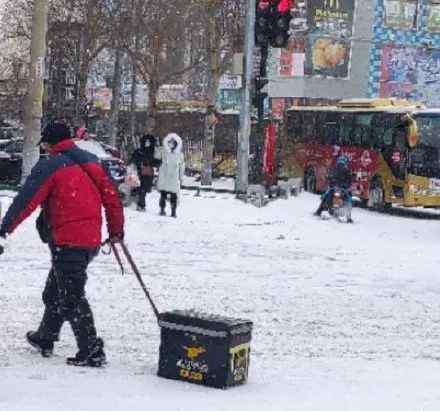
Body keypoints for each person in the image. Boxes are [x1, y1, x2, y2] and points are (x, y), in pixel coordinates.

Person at [0, 120, 124, 367]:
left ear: (51, 142)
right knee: (55, 290)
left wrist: (4, 228)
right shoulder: (92, 161)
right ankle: (45, 336)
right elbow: (111, 197)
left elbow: (27, 200)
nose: (43, 148)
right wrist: (115, 230)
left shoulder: (50, 166)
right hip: (89, 241)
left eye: (44, 143)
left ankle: (91, 349)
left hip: (68, 240)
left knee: (71, 295)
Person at [314, 154, 353, 222]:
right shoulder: (345, 171)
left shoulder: (336, 169)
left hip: (338, 189)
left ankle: (319, 210)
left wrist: (334, 183)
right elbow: (349, 181)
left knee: (326, 197)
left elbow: (349, 181)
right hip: (338, 189)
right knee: (348, 199)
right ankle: (348, 216)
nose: (341, 165)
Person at [156, 133, 185, 218]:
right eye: (170, 143)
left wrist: (181, 177)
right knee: (163, 194)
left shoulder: (180, 155)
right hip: (164, 177)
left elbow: (182, 166)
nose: (171, 144)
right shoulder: (163, 152)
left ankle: (173, 211)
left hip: (173, 178)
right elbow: (157, 159)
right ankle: (162, 209)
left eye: (173, 143)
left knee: (173, 196)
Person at [130, 134, 160, 211]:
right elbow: (133, 159)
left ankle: (141, 204)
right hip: (138, 171)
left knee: (143, 189)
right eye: (146, 141)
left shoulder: (154, 151)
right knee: (139, 188)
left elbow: (158, 162)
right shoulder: (139, 150)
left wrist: (149, 163)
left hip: (148, 171)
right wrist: (139, 163)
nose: (147, 143)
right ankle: (140, 204)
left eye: (148, 141)